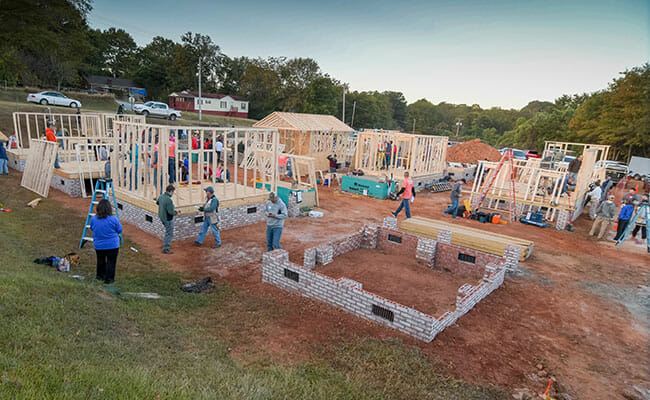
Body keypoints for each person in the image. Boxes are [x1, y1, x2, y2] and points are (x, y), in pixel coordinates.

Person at [90, 199, 123, 284]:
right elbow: (119, 230)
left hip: (99, 245)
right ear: (109, 209)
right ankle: (109, 279)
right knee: (111, 262)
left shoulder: (94, 219)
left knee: (100, 261)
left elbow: (92, 228)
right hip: (112, 245)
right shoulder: (114, 219)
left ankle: (100, 276)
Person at [156, 185, 180, 254]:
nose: (173, 194)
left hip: (162, 216)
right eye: (173, 192)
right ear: (171, 191)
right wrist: (176, 212)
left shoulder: (161, 196)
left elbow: (157, 203)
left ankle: (165, 246)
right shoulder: (169, 200)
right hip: (167, 218)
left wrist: (163, 207)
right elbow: (170, 212)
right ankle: (165, 248)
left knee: (168, 231)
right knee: (169, 233)